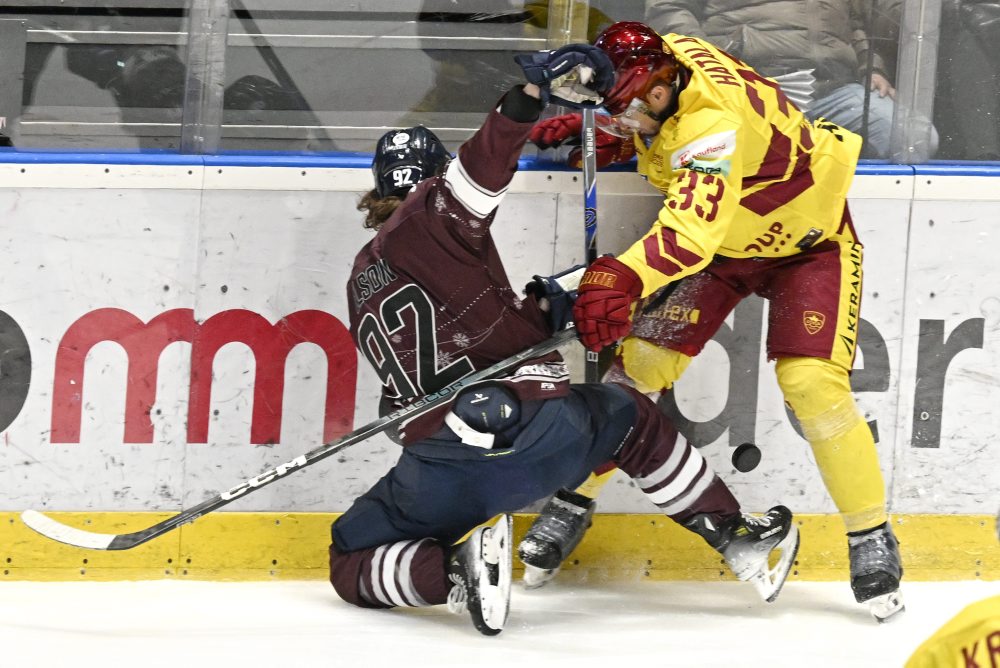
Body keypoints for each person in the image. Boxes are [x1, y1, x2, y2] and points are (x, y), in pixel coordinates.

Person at [327, 41, 800, 636]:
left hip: (439, 471)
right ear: (435, 176)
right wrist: (526, 99)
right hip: (536, 434)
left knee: (348, 555)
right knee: (627, 413)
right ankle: (733, 537)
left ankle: (454, 572)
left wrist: (548, 308)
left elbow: (442, 355)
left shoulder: (361, 274)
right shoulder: (434, 211)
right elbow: (483, 164)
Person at [518, 21, 904, 623]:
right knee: (639, 368)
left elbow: (689, 234)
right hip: (730, 242)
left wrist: (620, 277)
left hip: (809, 242)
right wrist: (624, 132)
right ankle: (572, 500)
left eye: (629, 105)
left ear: (658, 89)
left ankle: (870, 533)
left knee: (812, 386)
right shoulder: (672, 58)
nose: (624, 113)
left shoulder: (708, 127)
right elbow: (676, 141)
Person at [642, 0, 937, 160]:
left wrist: (870, 68)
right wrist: (705, 62)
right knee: (725, 159)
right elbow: (669, 8)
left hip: (830, 89)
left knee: (912, 137)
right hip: (747, 88)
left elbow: (855, 26)